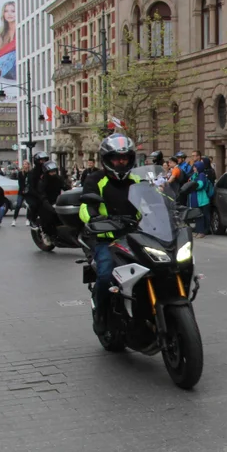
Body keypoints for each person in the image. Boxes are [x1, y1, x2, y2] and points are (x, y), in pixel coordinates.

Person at [80, 136, 143, 335]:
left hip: (135, 237)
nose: (121, 162)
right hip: (106, 238)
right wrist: (94, 220)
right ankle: (101, 315)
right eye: (116, 158)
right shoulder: (95, 179)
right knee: (106, 274)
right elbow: (85, 206)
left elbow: (154, 200)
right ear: (107, 159)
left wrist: (173, 207)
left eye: (125, 158)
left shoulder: (137, 180)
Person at [24, 152, 49, 225]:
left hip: (46, 193)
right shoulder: (32, 173)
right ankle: (33, 220)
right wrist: (39, 195)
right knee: (34, 206)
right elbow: (31, 187)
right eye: (41, 160)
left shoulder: (48, 172)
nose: (43, 162)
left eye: (44, 160)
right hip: (35, 195)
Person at [189, 160, 212, 238]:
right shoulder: (195, 175)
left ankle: (202, 231)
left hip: (202, 200)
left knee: (200, 216)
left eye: (195, 167)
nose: (194, 168)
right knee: (197, 216)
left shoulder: (201, 175)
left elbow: (200, 185)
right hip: (195, 198)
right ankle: (197, 230)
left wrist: (192, 185)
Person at [12, 161, 30, 226]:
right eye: (24, 164)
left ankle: (28, 219)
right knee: (18, 205)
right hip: (21, 192)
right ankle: (14, 220)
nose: (25, 165)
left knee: (28, 206)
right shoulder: (20, 173)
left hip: (28, 192)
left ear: (28, 165)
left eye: (26, 164)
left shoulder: (30, 173)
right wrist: (22, 189)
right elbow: (20, 182)